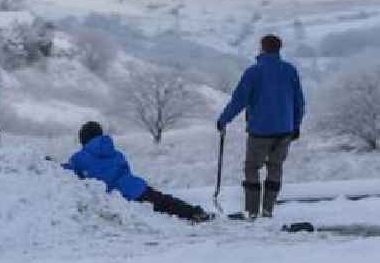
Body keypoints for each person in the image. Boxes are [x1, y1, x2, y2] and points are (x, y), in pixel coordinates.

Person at [217, 34, 305, 218]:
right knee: (275, 168)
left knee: (252, 168)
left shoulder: (253, 72)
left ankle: (251, 211)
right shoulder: (290, 70)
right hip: (285, 130)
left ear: (262, 48)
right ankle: (267, 210)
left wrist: (224, 120)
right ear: (279, 49)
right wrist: (296, 126)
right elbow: (299, 102)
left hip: (260, 130)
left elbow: (239, 100)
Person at [63, 121, 214, 223]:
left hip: (118, 197)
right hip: (136, 188)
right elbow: (126, 171)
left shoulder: (78, 158)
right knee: (165, 202)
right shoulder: (116, 153)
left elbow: (67, 174)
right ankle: (195, 213)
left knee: (161, 204)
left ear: (83, 138)